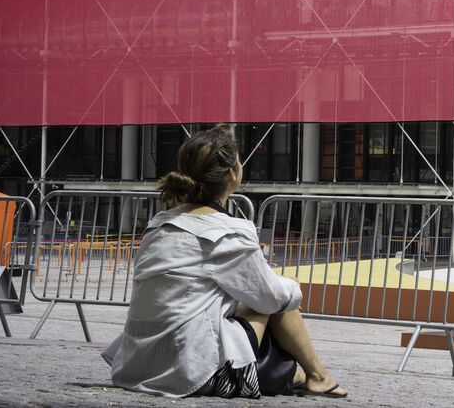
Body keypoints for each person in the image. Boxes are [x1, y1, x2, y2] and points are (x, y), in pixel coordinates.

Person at [103, 125, 347, 399]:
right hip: (192, 373)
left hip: (137, 367)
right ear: (232, 173)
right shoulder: (227, 232)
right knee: (278, 298)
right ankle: (318, 376)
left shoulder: (158, 225)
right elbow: (271, 297)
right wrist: (292, 288)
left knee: (261, 298)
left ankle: (298, 375)